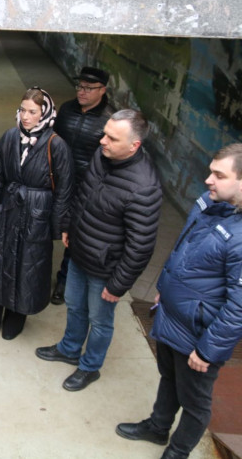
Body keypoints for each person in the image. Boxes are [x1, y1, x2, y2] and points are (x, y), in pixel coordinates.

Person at [116, 144, 242, 459]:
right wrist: (163, 288)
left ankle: (177, 452)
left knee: (195, 402)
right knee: (169, 377)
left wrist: (208, 350)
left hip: (199, 334)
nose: (208, 180)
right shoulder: (210, 203)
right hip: (174, 315)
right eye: (210, 172)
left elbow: (238, 307)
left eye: (219, 175)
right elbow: (182, 249)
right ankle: (158, 427)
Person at [36, 109, 162, 391]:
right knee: (74, 305)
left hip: (105, 268)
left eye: (112, 138)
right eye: (105, 134)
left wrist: (118, 285)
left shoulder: (145, 187)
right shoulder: (102, 155)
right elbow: (83, 193)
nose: (103, 141)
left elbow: (141, 246)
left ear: (134, 145)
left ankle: (90, 367)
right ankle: (69, 349)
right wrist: (68, 225)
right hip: (80, 251)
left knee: (99, 320)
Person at [0, 87, 74, 340]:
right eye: (22, 110)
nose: (26, 116)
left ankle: (15, 319)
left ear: (45, 113)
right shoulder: (10, 137)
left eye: (32, 112)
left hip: (36, 214)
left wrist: (58, 227)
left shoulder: (56, 145)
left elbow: (64, 190)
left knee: (26, 266)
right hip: (7, 208)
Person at [51, 66, 115, 305]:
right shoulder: (66, 110)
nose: (82, 91)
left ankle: (63, 281)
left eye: (89, 88)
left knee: (74, 237)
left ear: (103, 90)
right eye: (80, 86)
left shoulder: (110, 120)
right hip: (56, 181)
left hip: (85, 188)